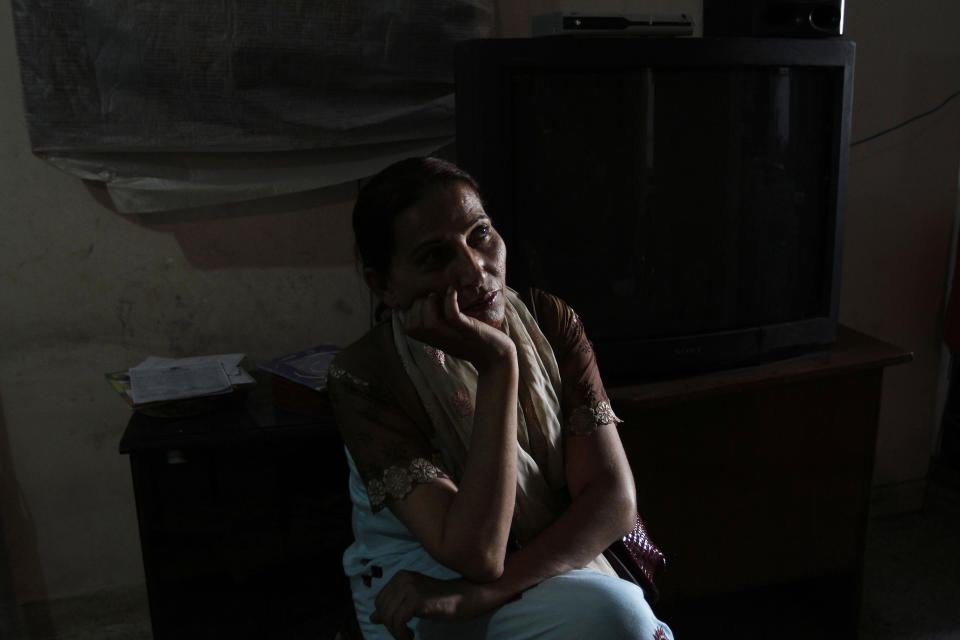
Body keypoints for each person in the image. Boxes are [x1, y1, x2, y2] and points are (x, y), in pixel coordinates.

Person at [327, 157, 673, 640]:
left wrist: (488, 593)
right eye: (434, 257)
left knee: (616, 614)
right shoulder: (366, 375)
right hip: (419, 584)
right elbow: (475, 553)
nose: (474, 270)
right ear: (383, 284)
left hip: (542, 559)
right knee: (615, 617)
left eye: (480, 234)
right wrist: (497, 366)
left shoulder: (549, 320)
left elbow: (612, 499)